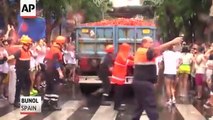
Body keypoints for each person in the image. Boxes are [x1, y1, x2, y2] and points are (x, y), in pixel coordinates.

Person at [132, 36, 182, 120]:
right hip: (144, 83)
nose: (152, 44)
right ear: (144, 43)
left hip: (141, 82)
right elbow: (157, 50)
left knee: (140, 105)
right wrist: (172, 42)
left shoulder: (145, 52)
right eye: (150, 42)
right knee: (151, 104)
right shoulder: (143, 51)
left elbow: (158, 51)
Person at [7, 35, 33, 107]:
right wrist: (6, 58)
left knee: (28, 83)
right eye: (29, 44)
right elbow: (12, 57)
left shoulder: (28, 51)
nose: (30, 45)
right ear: (26, 44)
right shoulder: (20, 51)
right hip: (20, 71)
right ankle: (16, 101)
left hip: (26, 70)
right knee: (19, 85)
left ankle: (26, 98)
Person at [42, 36, 65, 111]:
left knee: (49, 87)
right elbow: (56, 62)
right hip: (53, 72)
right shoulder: (56, 51)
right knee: (55, 87)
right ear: (61, 43)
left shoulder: (52, 49)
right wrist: (60, 72)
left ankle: (45, 103)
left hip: (48, 71)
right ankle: (53, 104)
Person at [111, 43, 134, 111]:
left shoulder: (122, 54)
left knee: (120, 92)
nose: (129, 50)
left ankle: (118, 104)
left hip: (120, 77)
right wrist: (136, 61)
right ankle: (117, 106)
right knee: (118, 93)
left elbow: (129, 57)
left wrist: (133, 57)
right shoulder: (121, 55)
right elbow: (127, 62)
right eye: (128, 49)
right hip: (118, 77)